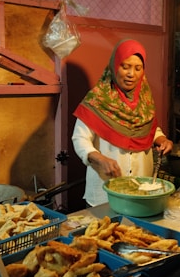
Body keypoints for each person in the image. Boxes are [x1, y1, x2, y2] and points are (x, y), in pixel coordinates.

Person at [72, 38, 173, 207]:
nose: (131, 74)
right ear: (114, 66)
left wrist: (161, 139)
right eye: (125, 66)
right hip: (105, 189)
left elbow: (149, 127)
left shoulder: (145, 100)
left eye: (137, 68)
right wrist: (99, 158)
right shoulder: (98, 99)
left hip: (141, 189)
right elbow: (79, 138)